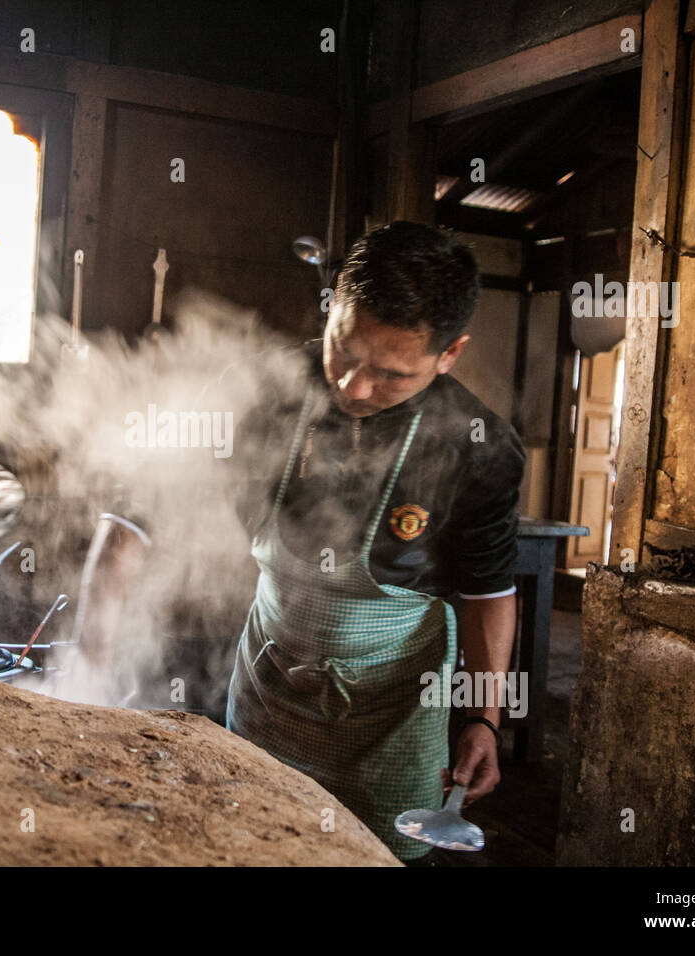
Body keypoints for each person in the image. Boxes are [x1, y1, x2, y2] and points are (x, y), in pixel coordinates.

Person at [222, 221, 524, 863]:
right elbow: (151, 504)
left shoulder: (479, 447)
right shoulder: (263, 389)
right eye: (343, 352)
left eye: (391, 375)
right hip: (269, 687)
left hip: (393, 716)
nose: (354, 388)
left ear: (450, 354)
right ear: (332, 308)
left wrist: (482, 718)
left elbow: (487, 593)